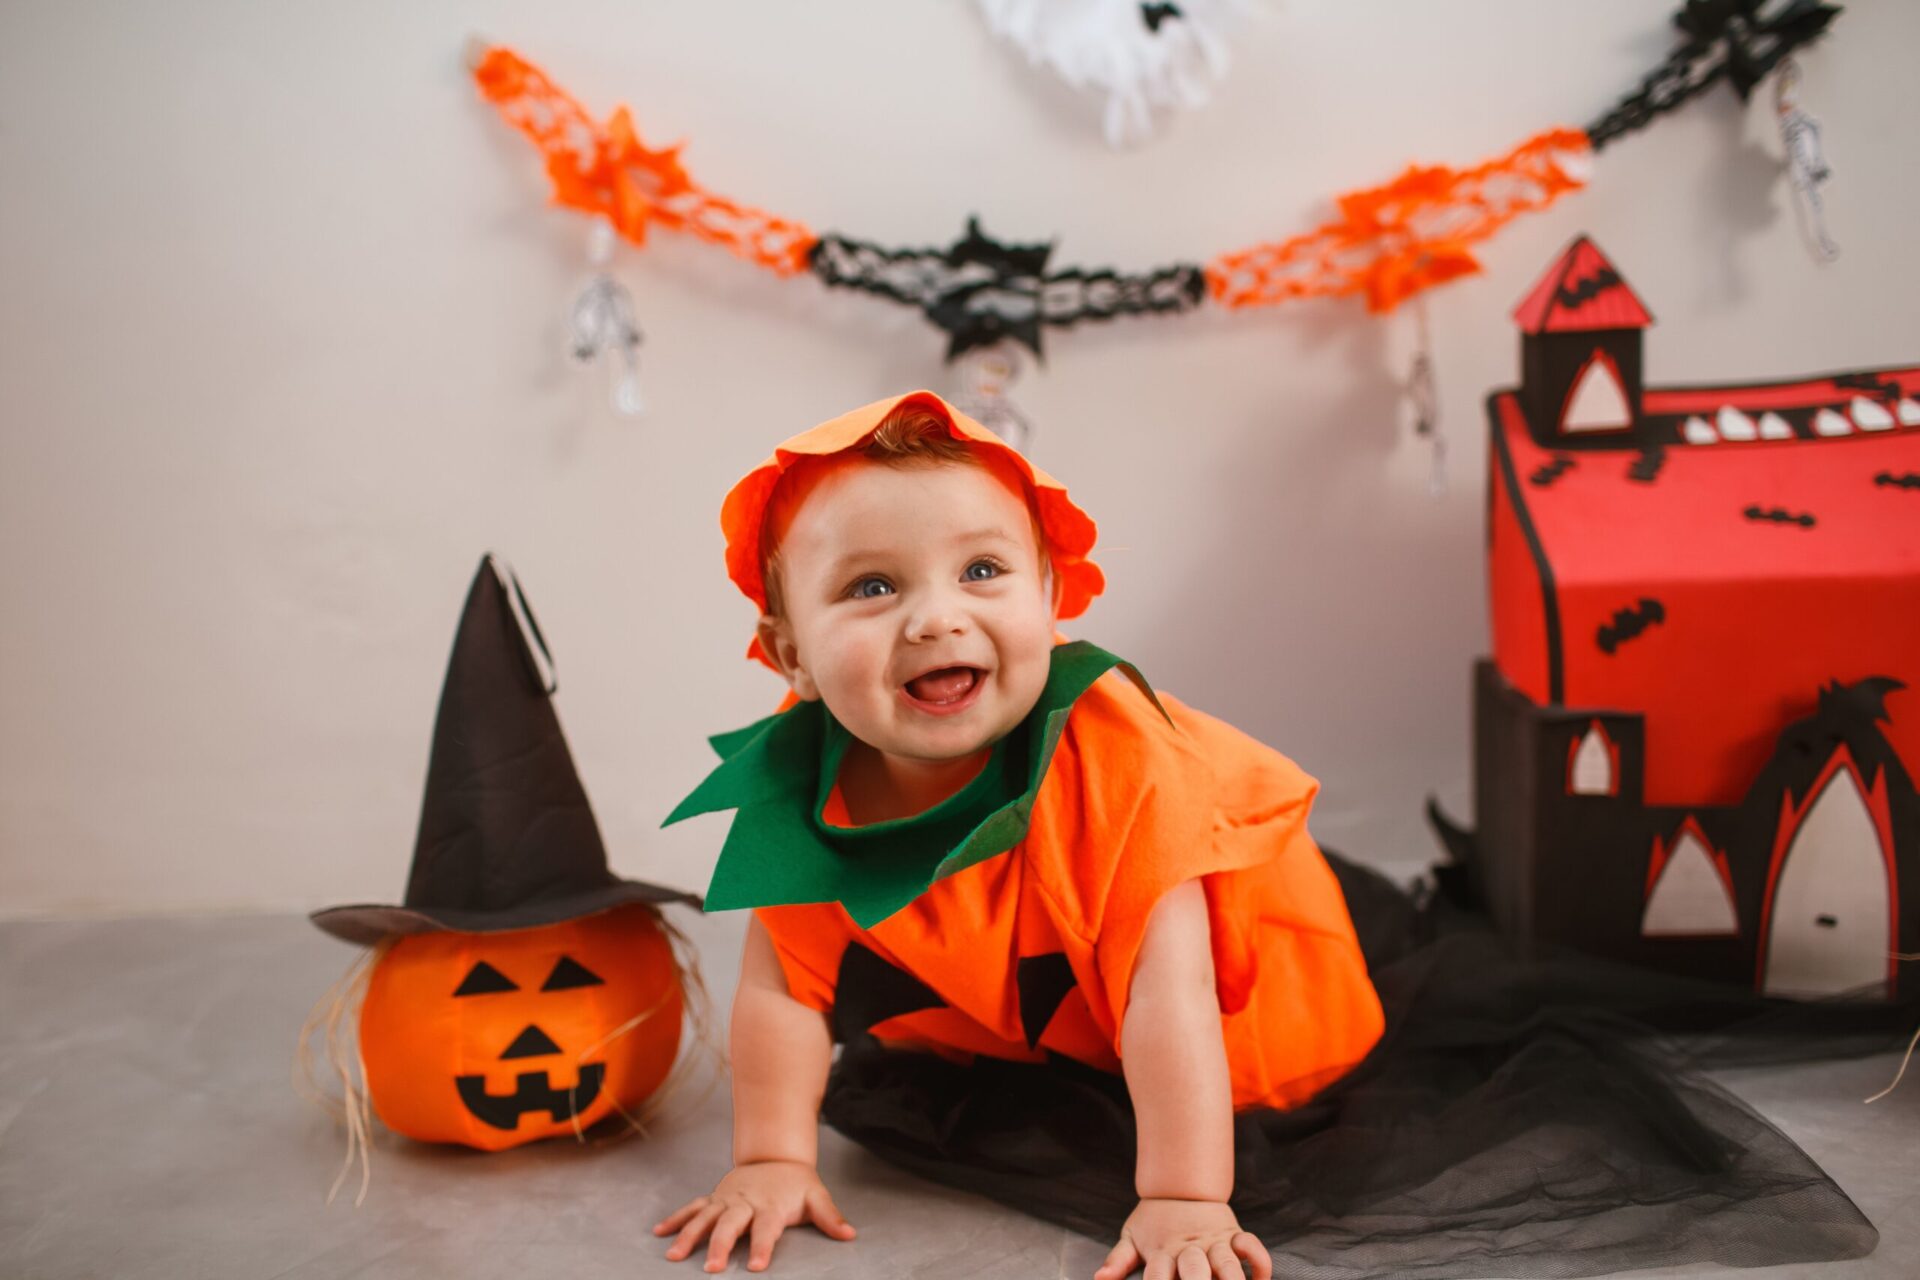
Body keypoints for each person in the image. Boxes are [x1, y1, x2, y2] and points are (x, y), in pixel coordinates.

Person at [652, 390, 1384, 1278]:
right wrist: (772, 1157)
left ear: (1049, 599)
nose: (934, 618)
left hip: (1228, 1011)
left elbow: (1168, 990)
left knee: (1218, 1026)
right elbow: (784, 986)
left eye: (982, 572)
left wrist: (1184, 1198)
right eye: (871, 586)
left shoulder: (1116, 764)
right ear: (792, 655)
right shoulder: (806, 790)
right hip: (1015, 1011)